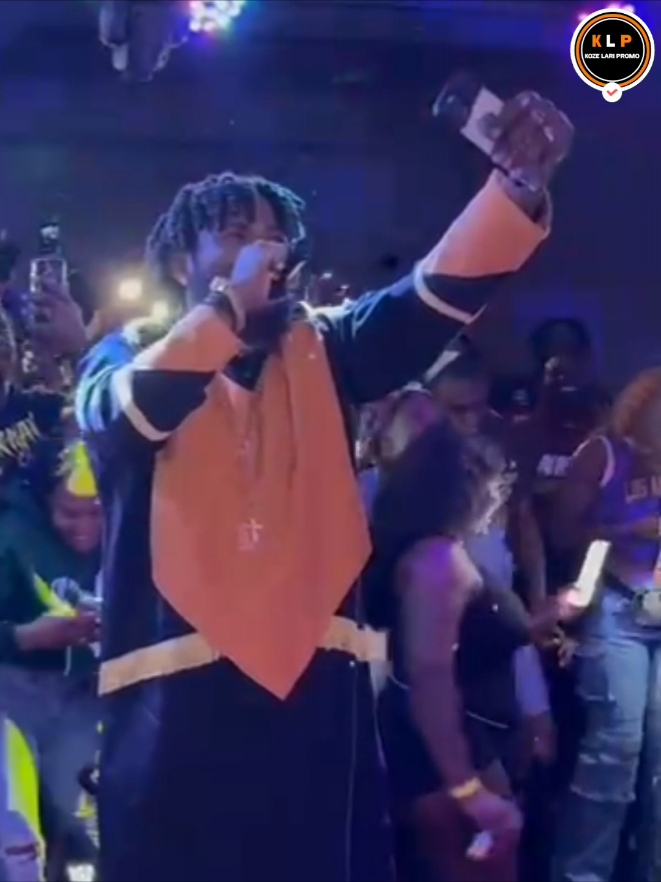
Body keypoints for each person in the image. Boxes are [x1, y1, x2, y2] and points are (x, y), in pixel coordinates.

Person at [76, 91, 572, 881]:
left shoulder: (323, 347)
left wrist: (513, 192)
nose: (262, 252)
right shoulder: (124, 355)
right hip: (176, 709)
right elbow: (126, 418)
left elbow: (427, 299)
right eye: (235, 234)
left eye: (275, 239)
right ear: (178, 263)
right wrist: (225, 313)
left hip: (311, 705)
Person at [367, 418, 581, 882]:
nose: (500, 499)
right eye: (496, 487)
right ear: (461, 491)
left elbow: (472, 639)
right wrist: (468, 790)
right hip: (439, 759)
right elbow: (430, 681)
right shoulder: (437, 565)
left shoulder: (445, 553)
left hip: (471, 746)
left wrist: (543, 617)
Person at [552, 368, 661, 882]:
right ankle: (583, 874)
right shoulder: (603, 453)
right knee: (615, 749)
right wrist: (625, 529)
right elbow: (562, 532)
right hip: (616, 605)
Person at [427, 346, 554, 769]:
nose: (471, 420)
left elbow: (524, 522)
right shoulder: (406, 465)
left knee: (533, 746)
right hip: (437, 634)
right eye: (457, 409)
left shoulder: (502, 444)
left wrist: (538, 598)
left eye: (478, 407)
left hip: (502, 619)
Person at [0, 439, 100, 855]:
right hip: (12, 697)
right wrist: (25, 637)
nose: (84, 526)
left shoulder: (134, 525)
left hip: (82, 697)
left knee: (84, 819)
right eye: (69, 513)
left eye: (96, 511)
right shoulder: (11, 535)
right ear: (44, 503)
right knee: (16, 836)